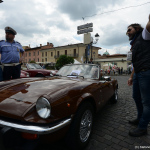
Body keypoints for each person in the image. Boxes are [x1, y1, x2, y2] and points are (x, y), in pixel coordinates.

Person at [127, 14, 150, 137]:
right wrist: (131, 76)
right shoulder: (134, 42)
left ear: (137, 28)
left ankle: (143, 127)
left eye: (130, 29)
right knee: (136, 97)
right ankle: (140, 118)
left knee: (147, 102)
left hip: (146, 72)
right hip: (138, 73)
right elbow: (136, 62)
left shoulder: (145, 34)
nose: (127, 32)